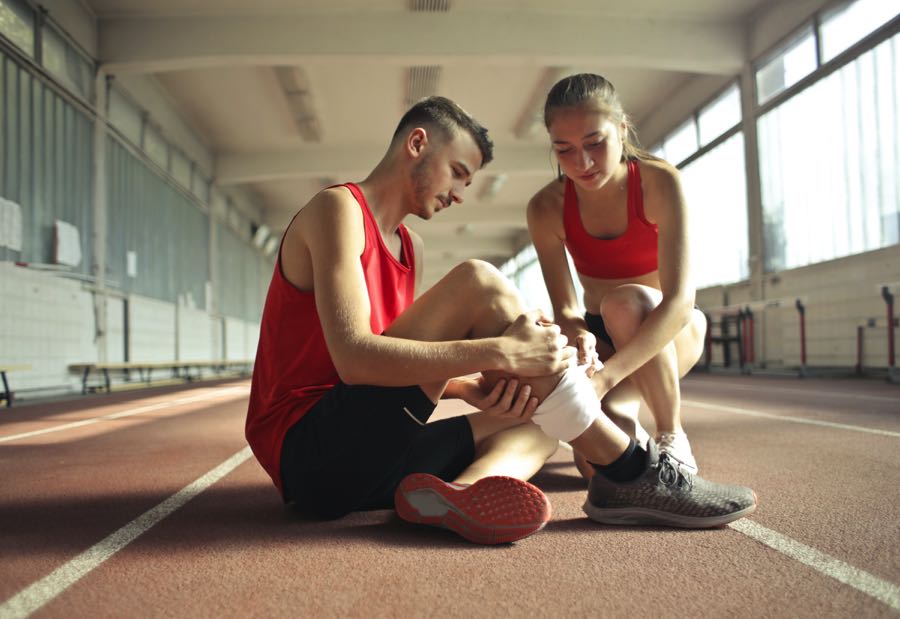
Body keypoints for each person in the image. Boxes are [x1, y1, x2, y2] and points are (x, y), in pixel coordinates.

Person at [245, 96, 756, 546]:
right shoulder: (337, 209)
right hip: (311, 456)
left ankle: (462, 493)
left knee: (539, 414)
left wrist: (470, 387)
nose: (460, 195)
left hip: (366, 463)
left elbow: (391, 363)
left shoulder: (410, 246)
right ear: (417, 144)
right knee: (479, 281)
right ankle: (630, 470)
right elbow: (355, 361)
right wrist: (500, 353)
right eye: (457, 173)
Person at [527, 73, 707, 478]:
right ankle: (629, 421)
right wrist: (580, 336)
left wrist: (606, 379)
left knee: (624, 303)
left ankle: (671, 434)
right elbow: (566, 309)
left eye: (595, 143)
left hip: (669, 330)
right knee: (597, 469)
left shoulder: (660, 183)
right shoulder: (545, 208)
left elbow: (680, 302)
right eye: (564, 150)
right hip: (603, 340)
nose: (582, 163)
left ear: (622, 129)